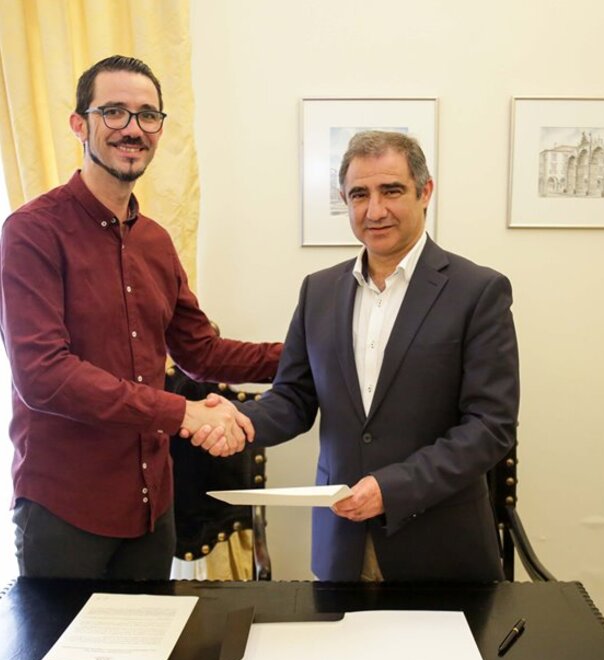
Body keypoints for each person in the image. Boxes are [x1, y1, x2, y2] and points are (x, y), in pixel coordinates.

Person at [0, 55, 280, 580]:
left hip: (153, 509)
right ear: (79, 124)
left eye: (148, 115)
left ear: (159, 130)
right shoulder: (31, 232)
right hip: (64, 511)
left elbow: (200, 352)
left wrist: (313, 352)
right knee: (62, 641)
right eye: (114, 112)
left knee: (152, 637)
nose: (133, 128)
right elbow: (43, 375)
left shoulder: (156, 241)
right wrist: (183, 413)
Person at [195, 130, 519, 581]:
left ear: (425, 192)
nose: (375, 210)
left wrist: (392, 487)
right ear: (344, 200)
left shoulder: (478, 291)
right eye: (359, 195)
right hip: (341, 546)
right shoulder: (318, 291)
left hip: (440, 549)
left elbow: (490, 426)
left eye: (392, 191)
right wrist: (240, 420)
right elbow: (294, 398)